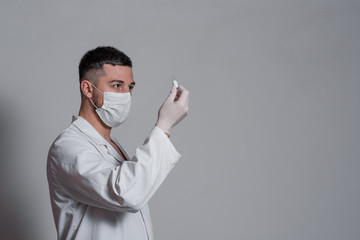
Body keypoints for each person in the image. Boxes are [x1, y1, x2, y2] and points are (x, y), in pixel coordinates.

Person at [46, 46, 189, 240]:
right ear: (88, 88)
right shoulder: (67, 147)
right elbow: (127, 194)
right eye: (116, 85)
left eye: (130, 87)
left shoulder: (111, 145)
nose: (126, 95)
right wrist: (164, 126)